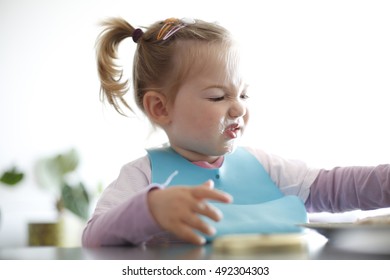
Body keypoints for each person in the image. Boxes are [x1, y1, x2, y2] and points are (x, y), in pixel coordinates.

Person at [82, 17, 390, 247]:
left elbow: (333, 189)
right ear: (161, 108)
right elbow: (93, 237)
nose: (239, 109)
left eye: (243, 95)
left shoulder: (266, 167)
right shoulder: (143, 176)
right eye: (218, 97)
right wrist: (150, 209)